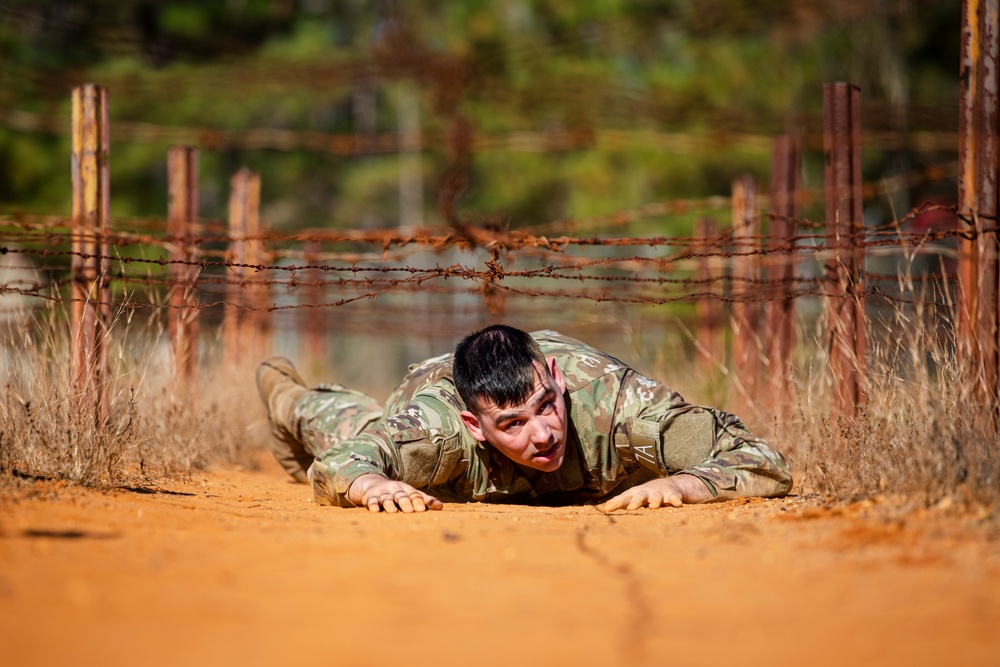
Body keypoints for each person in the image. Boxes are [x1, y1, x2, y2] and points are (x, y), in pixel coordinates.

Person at [256, 325, 792, 513]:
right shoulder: (440, 432)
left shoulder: (623, 408)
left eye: (546, 406)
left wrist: (688, 482)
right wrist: (369, 483)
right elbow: (346, 460)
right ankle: (285, 392)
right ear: (475, 426)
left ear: (555, 377)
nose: (542, 433)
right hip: (432, 392)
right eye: (512, 425)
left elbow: (764, 458)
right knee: (350, 424)